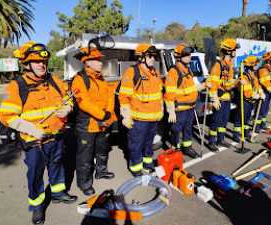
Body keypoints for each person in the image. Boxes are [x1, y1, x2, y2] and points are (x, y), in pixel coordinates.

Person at [0, 41, 77, 225]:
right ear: (27, 64)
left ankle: (58, 193)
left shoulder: (55, 80)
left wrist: (67, 109)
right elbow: (6, 116)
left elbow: (68, 99)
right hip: (34, 143)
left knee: (57, 166)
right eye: (36, 62)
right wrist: (31, 129)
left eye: (44, 61)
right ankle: (37, 207)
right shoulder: (16, 86)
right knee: (35, 175)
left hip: (56, 137)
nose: (42, 65)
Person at [71, 46, 115, 196]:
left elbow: (110, 96)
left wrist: (108, 113)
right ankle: (85, 183)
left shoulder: (101, 78)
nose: (101, 62)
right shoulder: (79, 79)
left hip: (103, 123)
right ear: (87, 62)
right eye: (97, 60)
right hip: (87, 125)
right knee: (85, 157)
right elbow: (84, 103)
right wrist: (103, 115)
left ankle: (101, 172)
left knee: (102, 150)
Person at [118, 43, 163, 176]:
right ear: (141, 57)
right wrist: (126, 116)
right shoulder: (132, 72)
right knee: (136, 145)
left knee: (149, 144)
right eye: (150, 56)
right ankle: (136, 168)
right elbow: (124, 97)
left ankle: (147, 164)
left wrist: (161, 110)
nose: (153, 58)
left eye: (154, 56)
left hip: (153, 119)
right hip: (138, 120)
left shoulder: (155, 72)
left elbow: (159, 94)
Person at [164, 43, 204, 158]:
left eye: (189, 54)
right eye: (186, 55)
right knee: (176, 130)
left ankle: (187, 148)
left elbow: (191, 88)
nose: (189, 56)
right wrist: (171, 110)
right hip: (179, 109)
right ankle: (175, 150)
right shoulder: (174, 72)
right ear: (178, 57)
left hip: (190, 107)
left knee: (188, 130)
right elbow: (169, 93)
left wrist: (204, 85)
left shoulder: (188, 70)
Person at [207, 38, 240, 152]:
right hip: (219, 98)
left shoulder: (229, 65)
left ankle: (220, 139)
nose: (236, 52)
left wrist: (236, 83)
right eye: (235, 49)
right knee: (215, 121)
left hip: (227, 98)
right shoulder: (218, 65)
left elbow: (229, 83)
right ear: (229, 51)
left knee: (224, 121)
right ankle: (211, 141)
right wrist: (214, 99)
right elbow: (213, 84)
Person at [232, 56, 264, 142]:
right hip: (244, 99)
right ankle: (236, 135)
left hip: (250, 100)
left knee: (247, 117)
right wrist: (254, 95)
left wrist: (260, 91)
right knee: (240, 118)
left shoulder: (252, 73)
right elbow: (246, 90)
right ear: (251, 65)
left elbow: (256, 83)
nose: (257, 65)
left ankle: (245, 132)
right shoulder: (244, 75)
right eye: (255, 64)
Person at [255, 51, 271, 133]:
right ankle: (257, 127)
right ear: (268, 59)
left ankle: (262, 124)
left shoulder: (270, 69)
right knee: (261, 110)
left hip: (267, 92)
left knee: (265, 110)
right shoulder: (263, 69)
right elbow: (264, 82)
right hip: (263, 91)